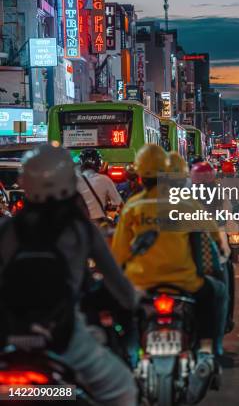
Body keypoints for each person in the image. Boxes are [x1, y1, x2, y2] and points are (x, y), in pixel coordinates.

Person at [0, 143, 139, 406]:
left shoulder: (7, 230)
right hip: (64, 337)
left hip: (7, 336)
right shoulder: (81, 230)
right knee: (123, 390)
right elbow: (118, 285)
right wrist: (135, 303)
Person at [112, 144, 223, 402]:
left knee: (117, 311)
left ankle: (128, 354)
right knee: (215, 292)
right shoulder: (185, 202)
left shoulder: (132, 207)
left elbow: (118, 256)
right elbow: (212, 235)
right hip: (184, 283)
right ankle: (207, 349)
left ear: (139, 176)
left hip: (140, 286)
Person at [77, 148, 123, 220]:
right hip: (100, 224)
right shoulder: (104, 179)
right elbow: (120, 204)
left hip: (82, 225)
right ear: (99, 163)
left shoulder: (75, 181)